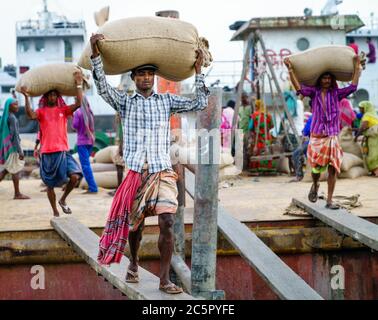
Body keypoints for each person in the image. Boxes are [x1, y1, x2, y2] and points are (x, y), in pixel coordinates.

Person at [90, 33, 209, 294]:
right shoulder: (124, 101)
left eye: (149, 74)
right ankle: (133, 260)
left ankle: (164, 279)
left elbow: (199, 102)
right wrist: (96, 56)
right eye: (141, 74)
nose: (145, 78)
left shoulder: (166, 101)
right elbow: (101, 88)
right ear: (133, 78)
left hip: (161, 171)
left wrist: (198, 72)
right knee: (136, 226)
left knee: (167, 220)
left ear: (154, 78)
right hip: (135, 173)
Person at [285, 55, 362, 210]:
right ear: (320, 80)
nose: (326, 80)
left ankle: (329, 200)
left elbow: (353, 87)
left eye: (329, 78)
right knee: (315, 169)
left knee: (333, 167)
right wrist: (291, 70)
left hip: (332, 136)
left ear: (332, 80)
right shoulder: (313, 92)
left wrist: (357, 67)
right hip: (317, 136)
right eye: (324, 78)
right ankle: (315, 183)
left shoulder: (337, 93)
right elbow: (298, 88)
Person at [21, 71, 84, 217]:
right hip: (47, 154)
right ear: (45, 97)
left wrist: (79, 84)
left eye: (55, 95)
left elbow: (79, 103)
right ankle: (55, 211)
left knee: (75, 176)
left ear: (58, 97)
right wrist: (26, 97)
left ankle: (62, 200)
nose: (52, 97)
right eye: (50, 95)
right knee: (50, 185)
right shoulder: (41, 112)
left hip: (63, 152)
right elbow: (30, 114)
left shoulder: (63, 110)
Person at [0, 98, 30, 200]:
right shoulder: (12, 118)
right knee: (15, 170)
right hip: (12, 148)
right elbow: (14, 136)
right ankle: (17, 194)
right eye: (15, 105)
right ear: (9, 106)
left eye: (17, 104)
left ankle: (17, 193)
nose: (17, 106)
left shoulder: (5, 117)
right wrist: (20, 151)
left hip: (7, 147)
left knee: (7, 170)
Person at [72, 96, 98, 194]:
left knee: (85, 166)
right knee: (87, 165)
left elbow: (74, 126)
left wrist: (72, 117)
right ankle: (92, 186)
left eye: (75, 101)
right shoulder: (90, 111)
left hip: (82, 142)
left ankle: (93, 188)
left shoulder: (78, 113)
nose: (75, 102)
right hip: (90, 141)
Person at [248, 100, 276, 173]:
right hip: (267, 138)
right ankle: (268, 168)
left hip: (258, 138)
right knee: (267, 151)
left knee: (257, 152)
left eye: (255, 106)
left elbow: (250, 127)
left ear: (257, 106)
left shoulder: (254, 115)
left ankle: (256, 169)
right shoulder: (268, 115)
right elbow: (272, 126)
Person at [354, 101, 378, 176]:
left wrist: (356, 136)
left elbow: (363, 127)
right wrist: (353, 129)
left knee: (372, 154)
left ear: (366, 108)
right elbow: (366, 127)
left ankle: (376, 171)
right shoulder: (373, 115)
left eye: (361, 108)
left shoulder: (367, 115)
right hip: (374, 136)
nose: (360, 110)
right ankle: (374, 171)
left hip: (373, 138)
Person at [290, 115, 313, 182]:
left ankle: (299, 175)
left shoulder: (313, 117)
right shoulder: (329, 115)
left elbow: (305, 132)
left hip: (314, 141)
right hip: (327, 141)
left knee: (296, 153)